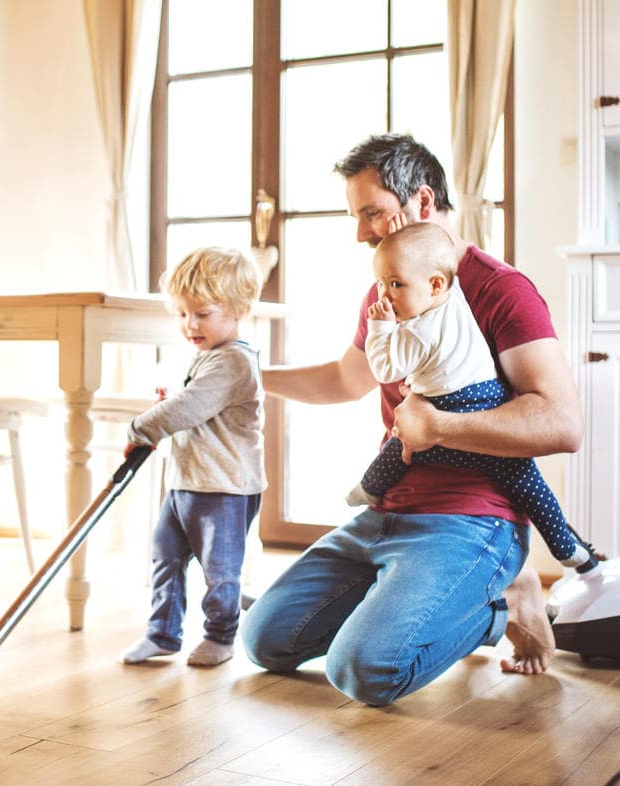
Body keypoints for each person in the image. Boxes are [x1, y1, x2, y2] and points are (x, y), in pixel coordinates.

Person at [241, 133, 582, 705]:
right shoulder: (388, 291)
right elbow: (345, 380)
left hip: (472, 518)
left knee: (365, 671)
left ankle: (501, 601)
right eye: (356, 216)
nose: (360, 232)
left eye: (371, 212)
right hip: (387, 511)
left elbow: (560, 423)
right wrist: (247, 376)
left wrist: (442, 427)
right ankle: (415, 596)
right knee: (265, 642)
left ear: (423, 203)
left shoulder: (502, 291)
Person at [346, 221, 591, 569]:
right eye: (381, 284)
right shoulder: (454, 294)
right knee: (528, 483)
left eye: (395, 284)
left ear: (434, 284)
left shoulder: (418, 331)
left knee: (401, 448)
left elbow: (385, 369)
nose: (383, 296)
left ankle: (368, 488)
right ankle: (568, 548)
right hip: (486, 396)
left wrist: (380, 328)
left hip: (448, 410)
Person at [119, 246, 267, 668]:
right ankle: (162, 633)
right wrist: (174, 406)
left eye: (201, 313)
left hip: (222, 487)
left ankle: (221, 636)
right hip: (186, 480)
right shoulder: (210, 356)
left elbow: (189, 408)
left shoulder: (234, 361)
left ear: (239, 309)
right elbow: (193, 405)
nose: (190, 324)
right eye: (182, 313)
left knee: (219, 569)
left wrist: (141, 427)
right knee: (165, 553)